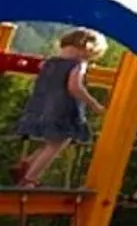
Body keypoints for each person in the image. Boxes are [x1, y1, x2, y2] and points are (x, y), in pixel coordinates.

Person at [9, 29, 106, 186]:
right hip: (62, 109)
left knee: (51, 142)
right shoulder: (78, 64)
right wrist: (93, 103)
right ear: (87, 49)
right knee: (57, 144)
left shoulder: (49, 62)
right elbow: (74, 86)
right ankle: (30, 179)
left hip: (41, 107)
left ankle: (26, 164)